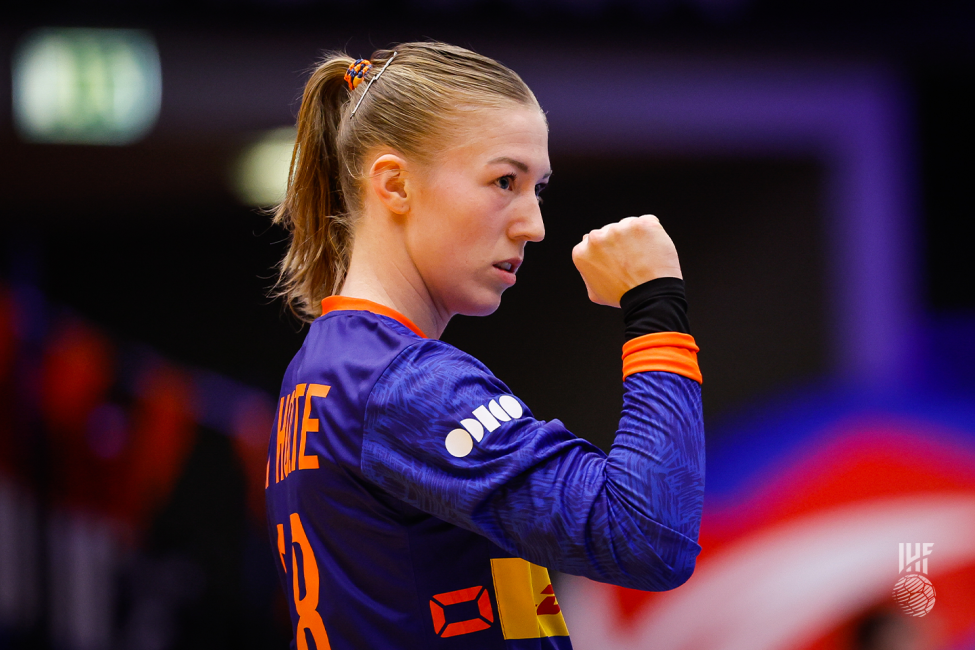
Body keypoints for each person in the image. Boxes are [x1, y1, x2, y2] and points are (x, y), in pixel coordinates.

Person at [265, 41, 704, 650]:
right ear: (394, 185)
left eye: (538, 189)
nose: (535, 224)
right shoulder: (404, 384)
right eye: (505, 180)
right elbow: (648, 538)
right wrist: (656, 307)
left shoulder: (326, 365)